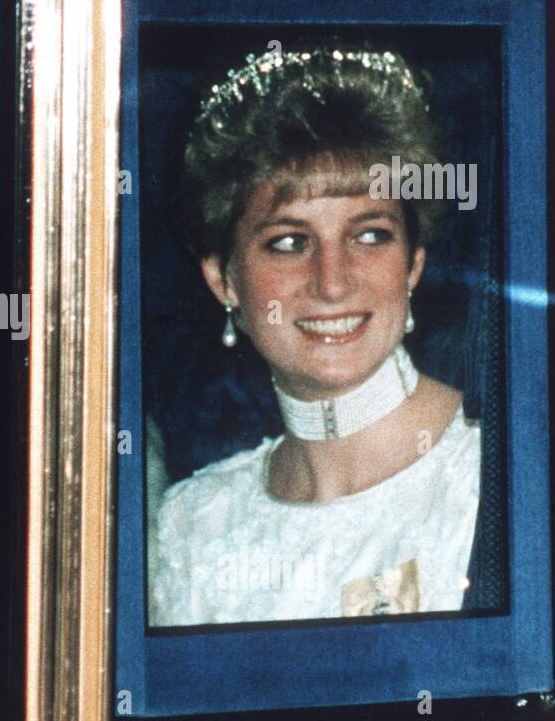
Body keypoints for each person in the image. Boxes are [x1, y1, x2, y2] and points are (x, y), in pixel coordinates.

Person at [148, 45, 482, 627]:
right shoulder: (191, 528)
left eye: (370, 235)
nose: (332, 284)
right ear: (222, 278)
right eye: (288, 241)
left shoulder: (498, 483)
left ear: (414, 264)